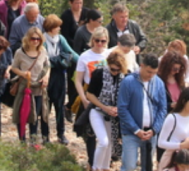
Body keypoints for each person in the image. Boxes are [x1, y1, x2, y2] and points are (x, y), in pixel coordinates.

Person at [118, 53, 168, 171]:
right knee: (129, 166)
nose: (151, 75)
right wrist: (136, 129)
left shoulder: (159, 83)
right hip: (131, 132)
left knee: (147, 166)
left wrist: (155, 129)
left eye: (154, 73)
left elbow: (163, 108)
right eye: (149, 71)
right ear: (141, 66)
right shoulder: (128, 82)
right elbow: (122, 108)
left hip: (151, 133)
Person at [74, 27, 112, 168]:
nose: (100, 44)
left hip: (107, 95)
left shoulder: (110, 55)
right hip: (90, 93)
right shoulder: (85, 56)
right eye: (97, 41)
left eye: (103, 41)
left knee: (107, 133)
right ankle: (92, 161)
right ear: (92, 40)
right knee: (90, 132)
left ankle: (104, 163)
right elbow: (78, 80)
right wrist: (83, 98)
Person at [88, 50, 129, 171]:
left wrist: (117, 109)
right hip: (97, 111)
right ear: (108, 65)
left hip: (113, 115)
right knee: (103, 142)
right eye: (113, 69)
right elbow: (89, 95)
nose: (115, 72)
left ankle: (105, 167)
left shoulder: (124, 77)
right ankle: (95, 168)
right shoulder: (99, 73)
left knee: (110, 144)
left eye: (118, 70)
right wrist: (104, 107)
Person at [42, 14, 79, 145]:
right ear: (51, 27)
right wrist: (59, 61)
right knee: (45, 107)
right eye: (57, 26)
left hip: (59, 76)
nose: (59, 28)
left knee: (59, 106)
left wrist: (83, 61)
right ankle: (45, 135)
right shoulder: (42, 40)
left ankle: (60, 133)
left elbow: (71, 53)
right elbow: (44, 61)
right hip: (46, 75)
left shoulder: (60, 39)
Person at [10, 27, 50, 144]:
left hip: (38, 88)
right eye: (33, 38)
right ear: (28, 39)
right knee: (21, 114)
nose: (35, 41)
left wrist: (46, 77)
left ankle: (33, 141)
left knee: (35, 115)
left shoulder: (42, 51)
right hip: (24, 87)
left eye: (38, 38)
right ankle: (22, 139)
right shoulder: (19, 52)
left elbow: (47, 65)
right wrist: (22, 73)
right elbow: (14, 67)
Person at [157, 87, 189, 170]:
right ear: (184, 101)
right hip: (173, 158)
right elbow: (161, 143)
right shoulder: (172, 118)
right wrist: (181, 145)